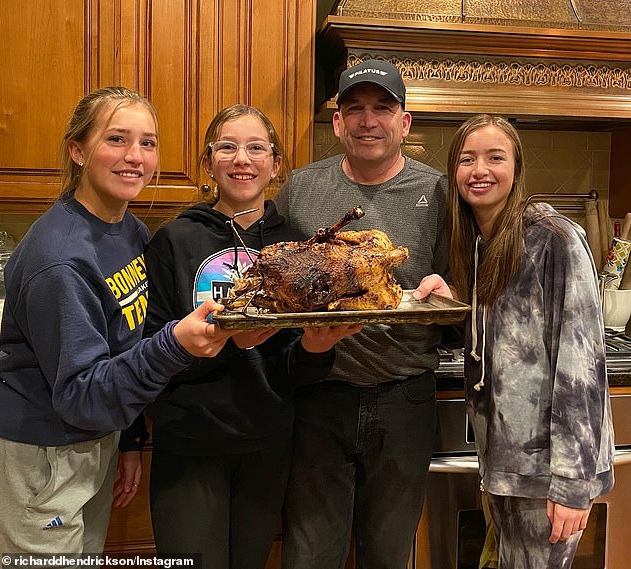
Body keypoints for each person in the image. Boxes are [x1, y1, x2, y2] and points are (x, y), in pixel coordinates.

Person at [0, 87, 240, 557]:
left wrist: (127, 440)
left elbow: (120, 348)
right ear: (78, 150)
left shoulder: (127, 231)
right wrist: (175, 345)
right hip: (43, 456)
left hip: (93, 438)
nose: (135, 157)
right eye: (116, 139)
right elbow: (81, 393)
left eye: (148, 143)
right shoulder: (60, 261)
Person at [141, 104, 360, 569]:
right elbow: (148, 350)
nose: (243, 159)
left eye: (256, 148)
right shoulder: (174, 241)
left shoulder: (298, 247)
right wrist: (223, 345)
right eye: (228, 147)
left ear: (276, 164)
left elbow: (292, 368)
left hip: (267, 444)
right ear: (208, 162)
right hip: (189, 443)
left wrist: (316, 349)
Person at [414, 114, 614, 568]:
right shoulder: (482, 241)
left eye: (494, 157)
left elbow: (581, 370)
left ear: (517, 169)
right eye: (467, 159)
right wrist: (459, 306)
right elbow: (508, 339)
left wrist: (572, 485)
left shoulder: (554, 239)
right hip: (505, 466)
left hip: (548, 473)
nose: (479, 170)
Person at [273, 59, 450, 568]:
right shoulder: (302, 189)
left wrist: (446, 290)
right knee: (309, 553)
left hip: (405, 397)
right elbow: (279, 287)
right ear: (337, 122)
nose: (367, 121)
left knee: (389, 554)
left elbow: (456, 284)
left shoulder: (437, 191)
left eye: (382, 108)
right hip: (319, 397)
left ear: (405, 122)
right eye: (354, 109)